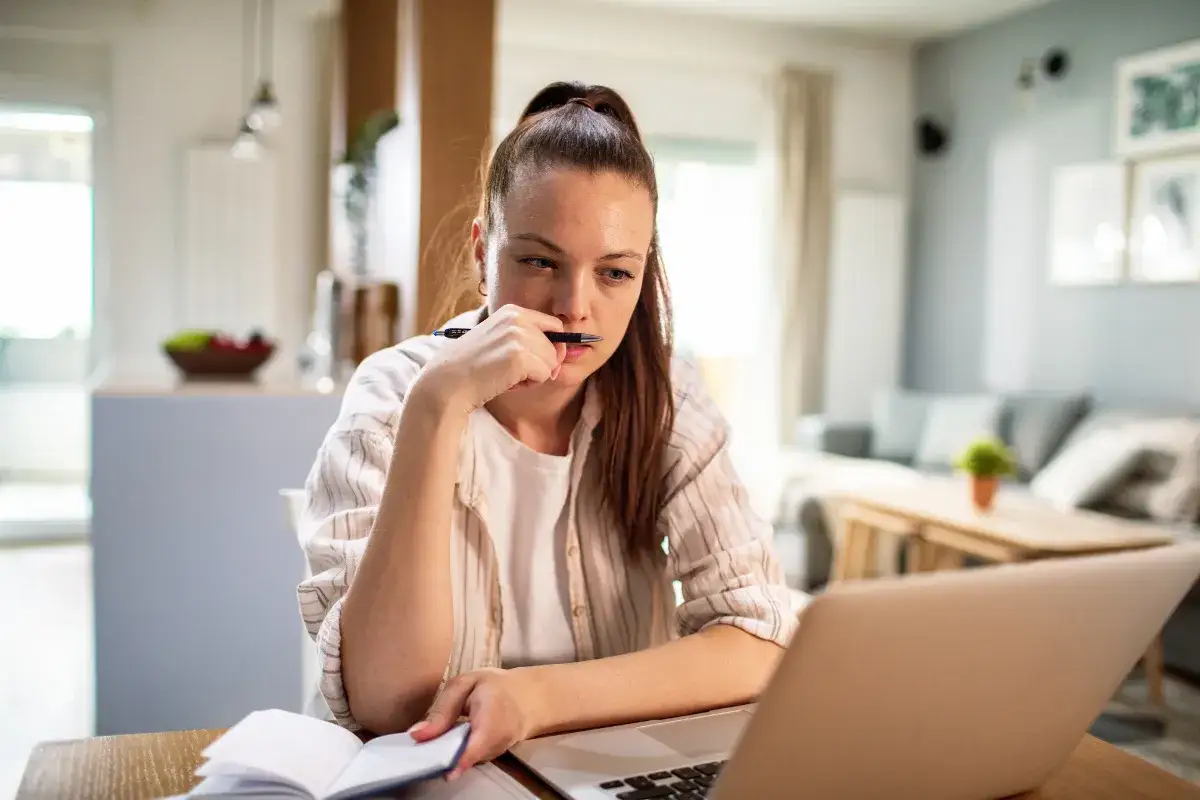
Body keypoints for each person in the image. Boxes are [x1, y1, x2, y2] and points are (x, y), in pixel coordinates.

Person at [296, 80, 802, 780]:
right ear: (482, 253)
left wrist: (534, 698)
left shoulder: (668, 399)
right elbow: (388, 703)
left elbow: (759, 639)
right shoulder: (396, 393)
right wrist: (438, 406)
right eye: (538, 262)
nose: (574, 307)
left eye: (615, 273)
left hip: (608, 773)